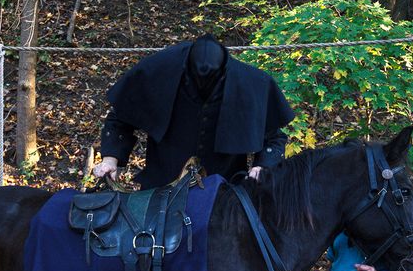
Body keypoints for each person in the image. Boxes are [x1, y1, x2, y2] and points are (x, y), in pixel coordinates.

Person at [93, 34, 295, 189]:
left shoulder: (250, 84)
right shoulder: (159, 71)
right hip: (161, 187)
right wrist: (111, 158)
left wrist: (263, 166)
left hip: (225, 190)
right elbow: (121, 117)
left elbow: (273, 137)